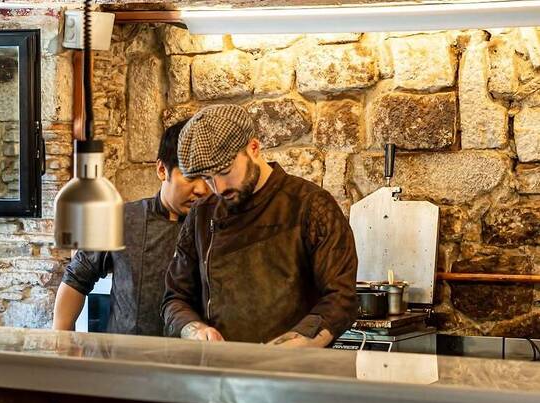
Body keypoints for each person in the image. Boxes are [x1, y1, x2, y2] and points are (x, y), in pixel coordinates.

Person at [161, 104, 358, 347]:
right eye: (208, 178)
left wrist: (294, 348)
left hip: (294, 372)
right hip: (222, 374)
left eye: (225, 171)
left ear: (253, 148)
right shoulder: (202, 214)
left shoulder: (311, 206)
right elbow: (175, 299)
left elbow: (341, 299)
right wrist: (196, 331)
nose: (219, 188)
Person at [52, 120, 208, 335]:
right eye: (190, 176)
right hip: (125, 358)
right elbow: (76, 278)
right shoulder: (124, 218)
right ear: (162, 170)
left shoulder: (213, 226)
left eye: (208, 176)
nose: (201, 188)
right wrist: (61, 342)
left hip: (189, 360)